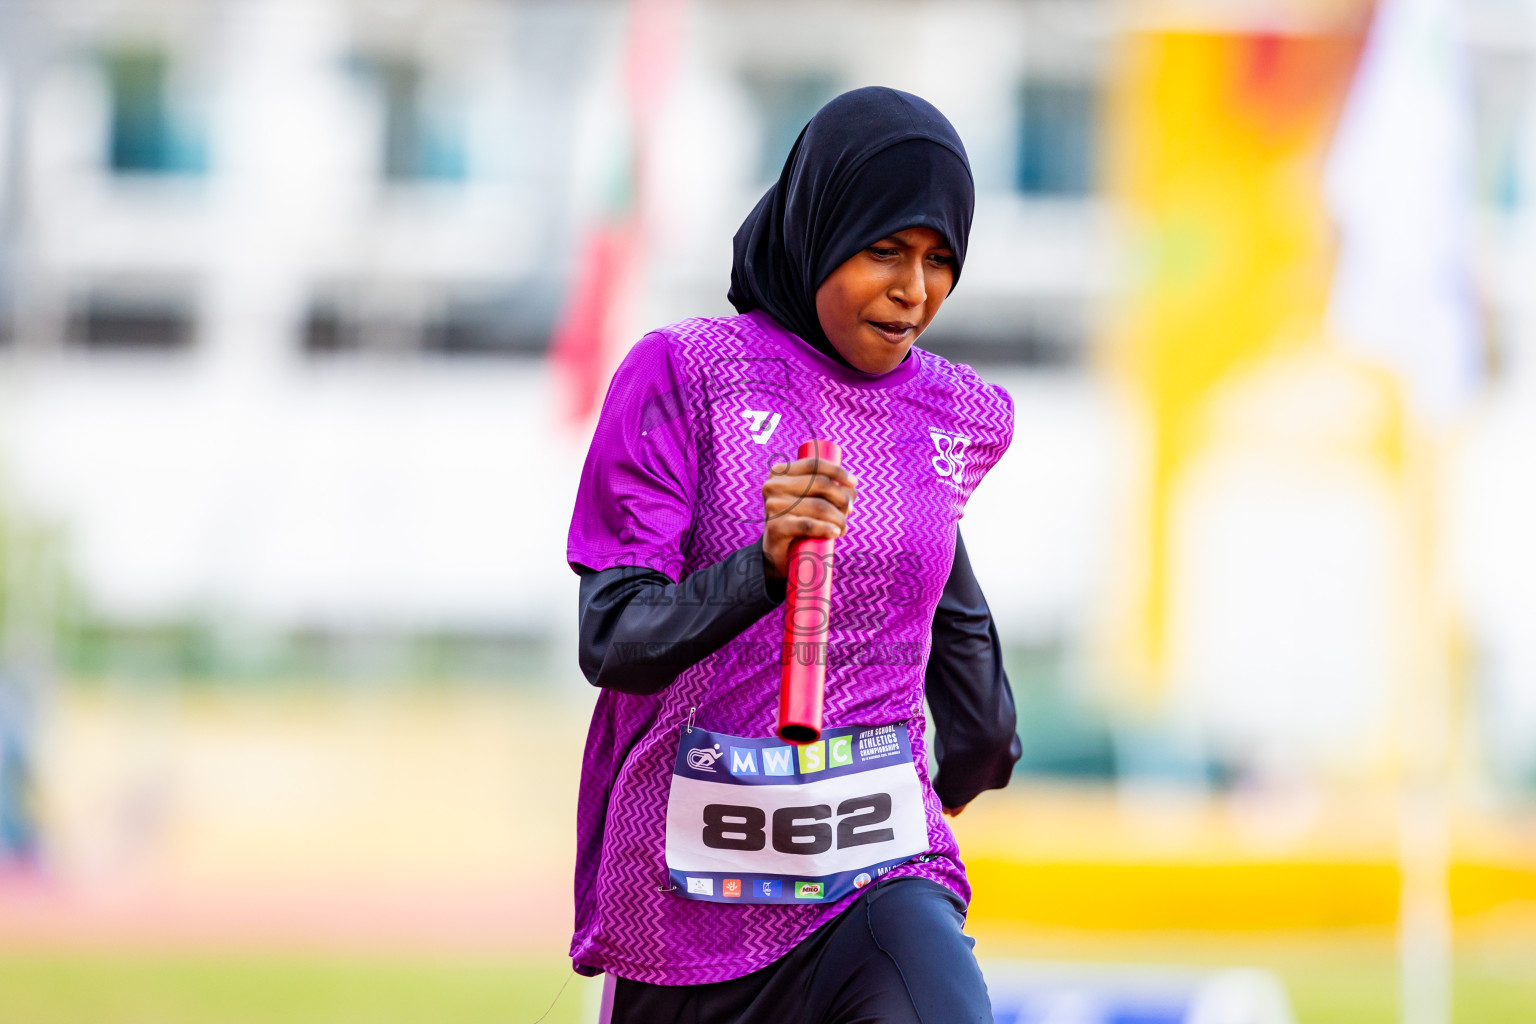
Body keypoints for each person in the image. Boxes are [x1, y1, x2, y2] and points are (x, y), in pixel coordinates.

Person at [567, 86, 1019, 1023]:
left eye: (942, 260)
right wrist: (763, 570)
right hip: (685, 905)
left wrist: (977, 741)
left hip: (877, 874)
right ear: (821, 228)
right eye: (885, 250)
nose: (914, 291)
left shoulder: (948, 412)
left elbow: (942, 588)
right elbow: (613, 638)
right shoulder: (684, 377)